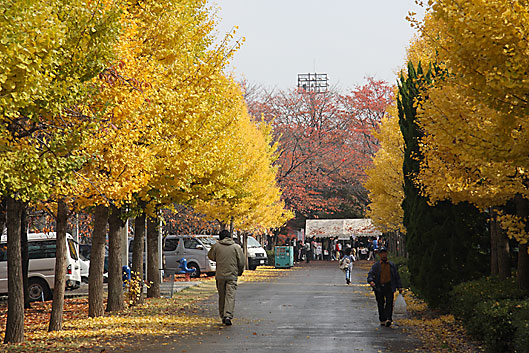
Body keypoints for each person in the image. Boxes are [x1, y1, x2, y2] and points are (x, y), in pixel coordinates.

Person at [208, 230, 245, 326]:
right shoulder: (236, 247)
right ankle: (227, 315)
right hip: (232, 275)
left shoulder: (216, 246)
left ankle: (222, 315)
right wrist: (239, 271)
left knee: (222, 296)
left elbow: (211, 256)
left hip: (220, 275)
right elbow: (241, 261)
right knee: (230, 295)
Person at [367, 247, 403, 327]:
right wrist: (371, 281)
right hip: (379, 287)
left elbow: (396, 276)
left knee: (389, 303)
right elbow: (370, 275)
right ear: (379, 255)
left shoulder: (391, 265)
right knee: (380, 303)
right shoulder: (376, 266)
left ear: (387, 254)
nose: (383, 255)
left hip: (389, 286)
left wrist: (399, 286)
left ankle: (388, 319)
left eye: (385, 253)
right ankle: (382, 319)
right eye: (382, 253)